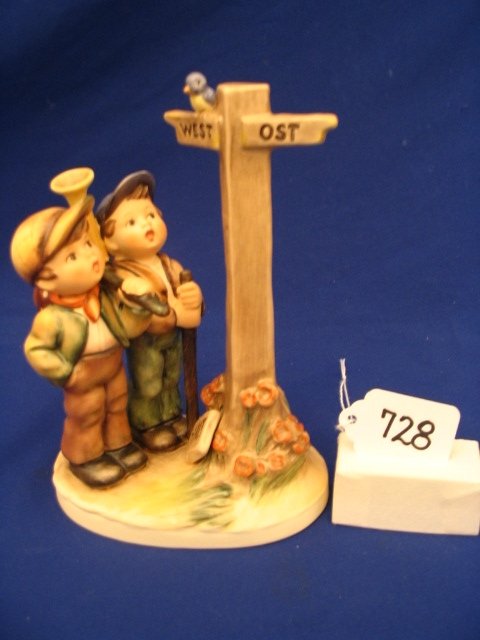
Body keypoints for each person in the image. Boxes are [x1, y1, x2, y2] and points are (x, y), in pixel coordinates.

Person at [10, 194, 152, 488]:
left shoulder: (105, 297)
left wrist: (138, 307)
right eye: (72, 257)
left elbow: (127, 327)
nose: (90, 256)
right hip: (83, 377)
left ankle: (119, 445)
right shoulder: (52, 319)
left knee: (117, 405)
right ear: (46, 279)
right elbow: (36, 349)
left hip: (113, 366)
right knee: (88, 414)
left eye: (88, 244)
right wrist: (67, 372)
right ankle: (86, 457)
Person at [96, 171, 203, 451]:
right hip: (147, 343)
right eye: (131, 222)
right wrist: (178, 316)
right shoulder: (122, 276)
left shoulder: (168, 264)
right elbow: (142, 315)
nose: (147, 224)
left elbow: (187, 294)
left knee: (171, 377)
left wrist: (194, 297)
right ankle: (147, 425)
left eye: (151, 215)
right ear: (110, 241)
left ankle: (170, 417)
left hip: (174, 339)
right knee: (149, 382)